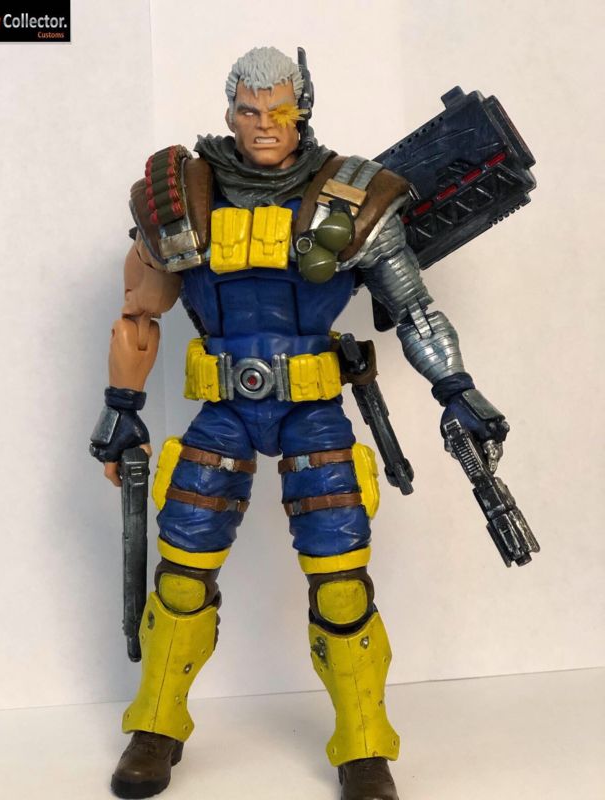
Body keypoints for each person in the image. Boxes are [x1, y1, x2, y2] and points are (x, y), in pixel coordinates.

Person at [91, 46, 509, 800]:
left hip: (313, 413)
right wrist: (120, 410)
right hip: (223, 412)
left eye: (279, 110)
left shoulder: (354, 197)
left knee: (341, 584)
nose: (264, 125)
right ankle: (154, 725)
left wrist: (457, 389)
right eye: (249, 111)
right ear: (229, 112)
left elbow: (414, 309)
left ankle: (364, 745)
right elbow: (137, 314)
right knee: (182, 574)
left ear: (302, 109)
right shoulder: (180, 195)